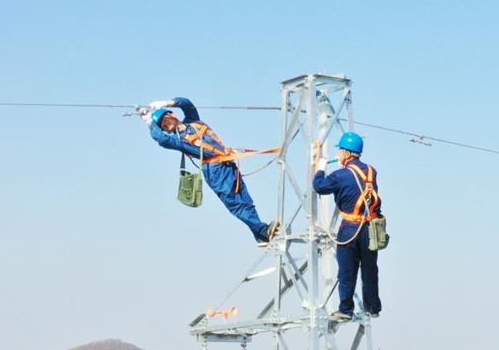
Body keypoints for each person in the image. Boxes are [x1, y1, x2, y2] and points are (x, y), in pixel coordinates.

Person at [141, 97, 279, 246]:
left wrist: (167, 102)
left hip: (227, 164)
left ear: (172, 115)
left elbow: (187, 104)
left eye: (165, 120)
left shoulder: (193, 121)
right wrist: (149, 123)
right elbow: (162, 139)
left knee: (246, 201)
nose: (166, 125)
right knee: (236, 204)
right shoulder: (178, 140)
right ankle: (263, 230)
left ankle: (260, 236)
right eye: (163, 126)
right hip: (215, 172)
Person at [313, 132, 382, 320]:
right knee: (369, 269)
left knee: (347, 271)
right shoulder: (371, 171)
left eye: (340, 151)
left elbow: (319, 187)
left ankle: (346, 309)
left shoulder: (341, 175)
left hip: (350, 228)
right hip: (370, 228)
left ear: (346, 152)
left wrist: (320, 170)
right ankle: (373, 307)